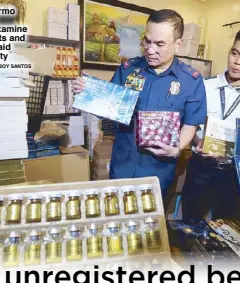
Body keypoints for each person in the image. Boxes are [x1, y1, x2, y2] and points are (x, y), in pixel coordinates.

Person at [73, 9, 207, 197]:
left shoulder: (191, 81)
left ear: (178, 44)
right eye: (147, 41)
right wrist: (89, 93)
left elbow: (191, 123)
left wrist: (177, 149)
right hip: (123, 165)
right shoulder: (128, 70)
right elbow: (109, 108)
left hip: (159, 170)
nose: (150, 50)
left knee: (151, 224)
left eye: (160, 44)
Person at [181, 24, 240, 221]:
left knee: (226, 227)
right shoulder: (205, 86)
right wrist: (196, 142)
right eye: (235, 53)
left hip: (235, 173)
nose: (237, 62)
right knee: (190, 222)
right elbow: (188, 124)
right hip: (201, 167)